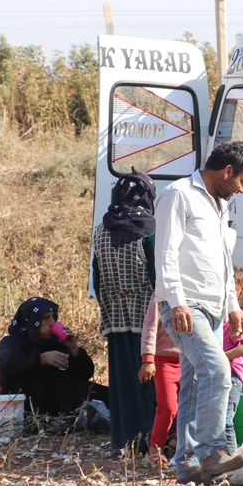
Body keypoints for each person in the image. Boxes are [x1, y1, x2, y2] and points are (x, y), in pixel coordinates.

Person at [154, 141, 243, 485]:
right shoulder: (178, 194)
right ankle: (213, 451)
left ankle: (185, 464)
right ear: (227, 172)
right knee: (217, 370)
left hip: (214, 307)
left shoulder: (219, 204)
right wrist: (176, 301)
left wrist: (232, 308)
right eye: (242, 181)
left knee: (196, 382)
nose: (242, 190)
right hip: (186, 305)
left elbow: (223, 264)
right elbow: (165, 253)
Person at [92, 169, 158, 453]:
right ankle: (149, 440)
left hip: (115, 320)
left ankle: (124, 440)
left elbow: (97, 277)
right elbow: (159, 277)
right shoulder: (149, 230)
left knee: (122, 384)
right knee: (149, 383)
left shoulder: (101, 231)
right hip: (148, 321)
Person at [0, 297, 108, 417]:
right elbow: (5, 366)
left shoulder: (55, 342)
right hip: (35, 404)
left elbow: (85, 373)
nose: (52, 323)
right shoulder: (13, 343)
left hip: (64, 397)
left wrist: (73, 349)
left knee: (108, 396)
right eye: (46, 318)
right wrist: (41, 359)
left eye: (53, 317)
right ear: (31, 321)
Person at [137, 292, 181, 467]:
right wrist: (148, 359)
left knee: (188, 406)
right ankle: (156, 448)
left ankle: (182, 445)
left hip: (190, 359)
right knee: (168, 406)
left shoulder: (196, 288)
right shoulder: (161, 294)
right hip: (164, 361)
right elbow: (150, 327)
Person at [223, 265, 243, 454]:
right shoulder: (217, 316)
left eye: (234, 288)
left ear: (241, 291)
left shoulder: (239, 316)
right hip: (219, 373)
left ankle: (233, 462)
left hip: (232, 375)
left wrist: (219, 357)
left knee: (225, 421)